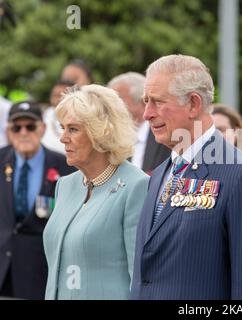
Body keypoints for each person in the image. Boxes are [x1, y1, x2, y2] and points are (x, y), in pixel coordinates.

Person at [131, 54, 242, 300]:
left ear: (193, 104)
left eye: (156, 102)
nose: (147, 113)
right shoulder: (158, 175)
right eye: (146, 101)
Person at [43, 85, 150, 299]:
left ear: (101, 132)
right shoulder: (65, 185)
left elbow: (141, 279)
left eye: (73, 129)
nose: (63, 138)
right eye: (62, 128)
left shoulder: (137, 186)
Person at [0, 101, 73, 299]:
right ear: (8, 131)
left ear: (42, 128)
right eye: (17, 127)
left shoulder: (65, 166)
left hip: (41, 272)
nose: (23, 132)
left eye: (30, 126)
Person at [108, 72, 170, 174]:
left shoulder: (165, 133)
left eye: (117, 99)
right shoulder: (113, 139)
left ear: (141, 100)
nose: (111, 107)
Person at [41, 79, 75, 154]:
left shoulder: (80, 117)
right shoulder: (45, 114)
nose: (56, 99)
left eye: (60, 95)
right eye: (54, 95)